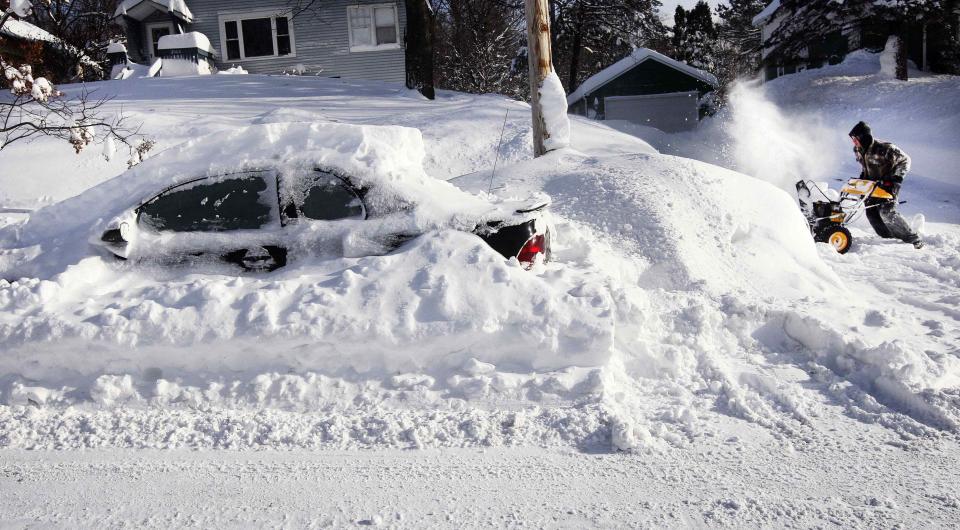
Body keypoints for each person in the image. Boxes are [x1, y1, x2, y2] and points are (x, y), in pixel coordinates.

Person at [849, 121, 924, 249]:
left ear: (863, 137)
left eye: (855, 139)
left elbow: (905, 160)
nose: (853, 142)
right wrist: (863, 177)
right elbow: (865, 166)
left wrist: (896, 178)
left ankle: (913, 239)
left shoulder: (885, 148)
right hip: (872, 185)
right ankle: (889, 240)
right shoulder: (858, 149)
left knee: (886, 211)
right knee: (871, 212)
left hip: (889, 183)